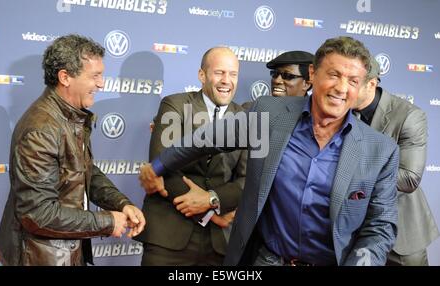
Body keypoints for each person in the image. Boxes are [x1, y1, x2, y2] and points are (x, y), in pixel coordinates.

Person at [140, 36, 399, 266]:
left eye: (353, 81)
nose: (342, 88)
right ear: (313, 74)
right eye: (333, 75)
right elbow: (208, 139)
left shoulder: (381, 151)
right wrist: (158, 166)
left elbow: (380, 228)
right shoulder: (271, 115)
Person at [0, 34, 145, 266]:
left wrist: (121, 203)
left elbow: (84, 172)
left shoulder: (70, 117)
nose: (101, 84)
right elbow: (38, 214)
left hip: (64, 251)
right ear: (65, 77)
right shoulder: (41, 129)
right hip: (40, 256)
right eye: (95, 76)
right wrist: (107, 221)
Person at [134, 47, 247, 266]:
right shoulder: (174, 105)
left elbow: (246, 180)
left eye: (232, 74)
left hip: (219, 243)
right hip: (168, 235)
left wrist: (212, 199)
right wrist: (210, 212)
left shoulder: (244, 118)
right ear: (202, 75)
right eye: (219, 73)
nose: (226, 80)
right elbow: (161, 165)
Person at [354, 57, 439, 266]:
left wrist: (351, 174)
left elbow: (409, 179)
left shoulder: (409, 116)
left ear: (371, 83)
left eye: (352, 82)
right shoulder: (341, 111)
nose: (342, 89)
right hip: (355, 231)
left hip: (401, 233)